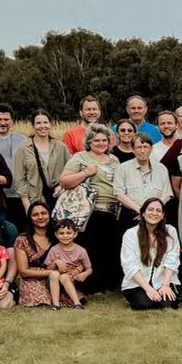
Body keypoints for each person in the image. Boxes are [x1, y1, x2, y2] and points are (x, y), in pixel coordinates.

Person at [58, 123, 120, 291]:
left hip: (112, 210)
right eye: (96, 140)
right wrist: (86, 173)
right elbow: (64, 181)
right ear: (89, 142)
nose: (101, 143)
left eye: (104, 140)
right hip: (90, 211)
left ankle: (108, 283)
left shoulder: (114, 160)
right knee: (91, 248)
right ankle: (90, 286)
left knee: (109, 248)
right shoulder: (81, 157)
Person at [120, 198, 181, 310]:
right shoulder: (130, 234)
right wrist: (149, 289)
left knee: (168, 304)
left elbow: (172, 259)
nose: (154, 213)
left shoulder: (170, 231)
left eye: (158, 211)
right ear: (143, 213)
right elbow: (130, 265)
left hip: (162, 281)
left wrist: (166, 285)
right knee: (144, 304)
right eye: (151, 209)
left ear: (162, 215)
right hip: (138, 283)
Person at [12, 110, 69, 215]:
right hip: (35, 201)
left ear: (51, 124)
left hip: (59, 201)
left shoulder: (61, 147)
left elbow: (70, 172)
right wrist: (28, 207)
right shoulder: (23, 148)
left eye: (45, 122)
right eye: (38, 123)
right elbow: (20, 180)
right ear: (33, 125)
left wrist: (61, 186)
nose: (42, 126)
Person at [113, 133, 173, 232]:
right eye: (138, 147)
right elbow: (119, 193)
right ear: (132, 149)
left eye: (145, 147)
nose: (142, 151)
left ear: (151, 149)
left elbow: (167, 194)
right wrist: (140, 210)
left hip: (155, 218)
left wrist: (152, 211)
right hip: (130, 217)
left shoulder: (161, 168)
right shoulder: (123, 168)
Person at [0, 104, 29, 229]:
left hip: (19, 195)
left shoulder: (24, 142)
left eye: (6, 120)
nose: (2, 123)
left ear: (12, 121)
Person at [12, 201, 58, 308]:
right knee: (41, 300)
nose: (40, 217)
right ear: (30, 218)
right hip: (32, 279)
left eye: (44, 213)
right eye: (35, 215)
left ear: (49, 215)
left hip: (55, 278)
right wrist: (52, 272)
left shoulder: (58, 236)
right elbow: (23, 271)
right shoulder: (22, 240)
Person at [44, 220, 92, 310]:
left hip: (71, 279)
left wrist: (84, 274)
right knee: (55, 274)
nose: (65, 236)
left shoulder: (81, 251)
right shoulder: (54, 250)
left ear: (75, 234)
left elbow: (89, 269)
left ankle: (77, 304)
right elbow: (48, 269)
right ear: (56, 234)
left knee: (64, 277)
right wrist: (55, 262)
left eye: (69, 233)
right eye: (61, 233)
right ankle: (56, 304)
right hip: (53, 280)